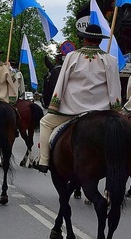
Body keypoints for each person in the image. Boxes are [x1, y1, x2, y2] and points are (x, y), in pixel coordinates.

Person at [35, 24, 122, 174]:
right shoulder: (110, 60)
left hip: (72, 109)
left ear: (84, 39)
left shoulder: (72, 56)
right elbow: (114, 87)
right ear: (100, 41)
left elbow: (62, 81)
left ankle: (44, 161)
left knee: (45, 122)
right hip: (99, 112)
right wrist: (116, 110)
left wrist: (55, 104)